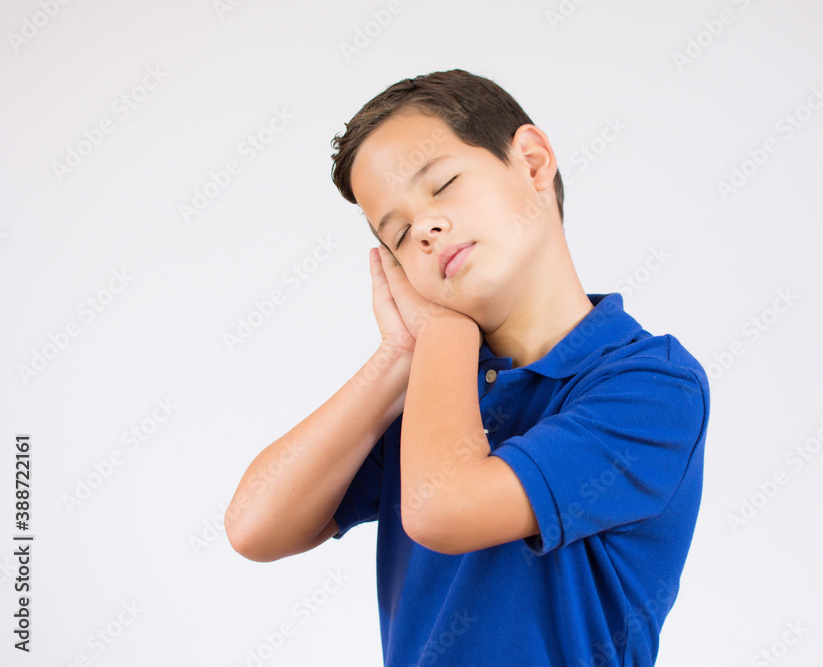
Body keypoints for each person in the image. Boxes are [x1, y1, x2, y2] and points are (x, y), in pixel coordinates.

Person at [225, 68, 710, 666]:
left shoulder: (651, 386)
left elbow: (442, 508)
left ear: (532, 163)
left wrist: (442, 333)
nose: (425, 229)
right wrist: (400, 356)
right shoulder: (437, 390)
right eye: (399, 234)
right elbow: (254, 526)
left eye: (445, 183)